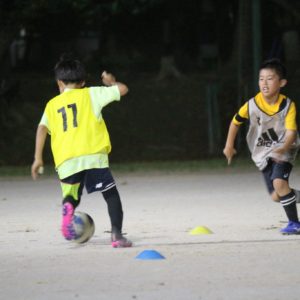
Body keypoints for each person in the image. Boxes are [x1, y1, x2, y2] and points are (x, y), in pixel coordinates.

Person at [31, 55, 132, 247]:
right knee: (111, 195)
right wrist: (111, 83)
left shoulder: (51, 105)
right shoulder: (91, 94)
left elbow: (42, 128)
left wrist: (37, 158)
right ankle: (117, 236)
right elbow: (123, 90)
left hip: (66, 160)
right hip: (93, 155)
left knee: (72, 196)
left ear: (59, 82)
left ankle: (68, 206)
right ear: (83, 82)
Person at [223, 58, 300, 234]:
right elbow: (235, 122)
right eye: (261, 78)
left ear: (282, 83)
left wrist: (284, 147)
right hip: (263, 153)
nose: (264, 83)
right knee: (277, 195)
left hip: (284, 150)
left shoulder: (287, 105)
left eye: (270, 78)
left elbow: (291, 132)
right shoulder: (252, 104)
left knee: (280, 184)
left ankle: (295, 223)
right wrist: (229, 145)